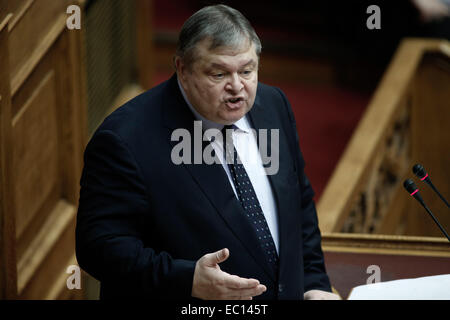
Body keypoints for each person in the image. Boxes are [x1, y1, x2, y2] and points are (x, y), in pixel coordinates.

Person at [76, 4, 339, 300]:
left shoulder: (273, 105)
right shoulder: (124, 141)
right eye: (219, 74)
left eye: (247, 70)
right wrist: (186, 279)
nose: (237, 87)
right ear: (182, 69)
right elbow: (99, 248)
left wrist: (314, 283)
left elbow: (298, 203)